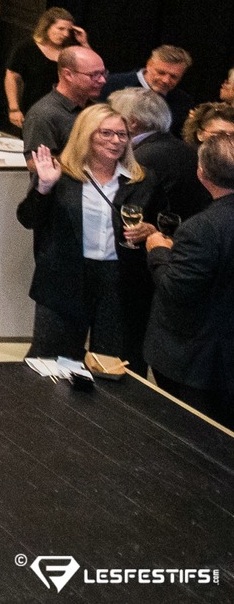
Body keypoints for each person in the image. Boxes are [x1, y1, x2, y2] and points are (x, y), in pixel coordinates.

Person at [20, 103, 155, 367]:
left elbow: (159, 223)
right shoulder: (60, 174)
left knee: (113, 364)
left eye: (122, 134)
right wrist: (44, 188)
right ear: (86, 134)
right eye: (106, 133)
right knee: (50, 362)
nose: (115, 141)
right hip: (65, 277)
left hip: (119, 281)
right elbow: (28, 219)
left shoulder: (142, 179)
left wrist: (150, 230)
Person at [141, 131, 234, 425]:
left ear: (202, 173)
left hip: (198, 359)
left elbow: (176, 288)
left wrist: (159, 250)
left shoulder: (201, 229)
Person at [113, 87, 211, 225]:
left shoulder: (141, 157)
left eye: (113, 116)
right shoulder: (185, 148)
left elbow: (128, 211)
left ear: (133, 122)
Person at [22, 45, 108, 161]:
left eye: (103, 73)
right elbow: (35, 163)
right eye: (94, 75)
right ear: (68, 74)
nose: (103, 80)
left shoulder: (96, 108)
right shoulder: (43, 114)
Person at [5, 8, 83, 130]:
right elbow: (12, 76)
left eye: (69, 30)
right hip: (34, 110)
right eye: (60, 29)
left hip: (66, 112)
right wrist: (14, 108)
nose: (65, 34)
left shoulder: (72, 51)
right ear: (47, 27)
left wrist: (84, 44)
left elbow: (91, 68)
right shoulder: (27, 48)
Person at [108, 45, 198, 130]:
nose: (166, 80)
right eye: (161, 73)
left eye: (173, 77)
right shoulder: (112, 85)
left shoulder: (183, 102)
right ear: (149, 64)